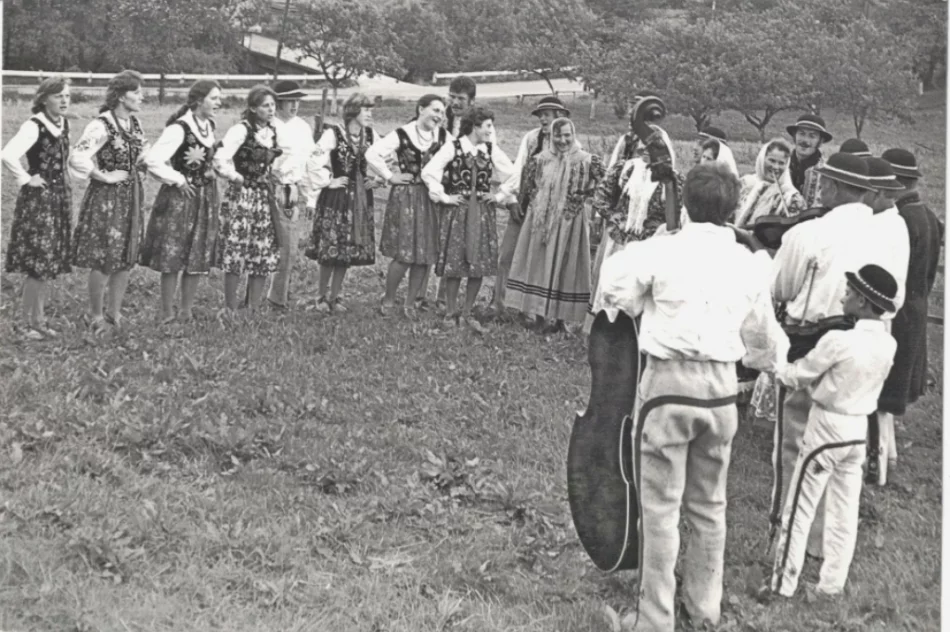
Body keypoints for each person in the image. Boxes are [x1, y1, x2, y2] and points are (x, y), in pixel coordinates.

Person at [597, 163, 786, 631]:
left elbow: (612, 288)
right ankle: (705, 610)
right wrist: (768, 364)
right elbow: (763, 338)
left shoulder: (660, 251)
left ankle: (654, 618)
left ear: (685, 203)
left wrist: (645, 303)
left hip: (667, 388)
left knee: (659, 509)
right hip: (721, 392)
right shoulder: (749, 263)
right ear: (733, 208)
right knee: (710, 506)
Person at [768, 152, 877, 562]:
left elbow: (780, 287)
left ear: (830, 187)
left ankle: (791, 533)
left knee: (798, 439)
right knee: (842, 438)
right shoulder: (887, 230)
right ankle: (827, 541)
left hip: (813, 337)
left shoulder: (810, 232)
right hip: (868, 344)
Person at [771, 264, 898, 599]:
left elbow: (802, 374)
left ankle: (782, 584)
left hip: (827, 425)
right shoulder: (888, 344)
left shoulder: (839, 340)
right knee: (843, 510)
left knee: (799, 506)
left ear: (862, 302)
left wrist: (778, 368)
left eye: (849, 293)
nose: (843, 297)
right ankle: (831, 584)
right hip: (859, 430)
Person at [872, 148, 943, 482]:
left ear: (896, 183)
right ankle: (892, 454)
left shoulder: (900, 219)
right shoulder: (928, 216)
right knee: (892, 390)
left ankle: (881, 461)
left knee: (884, 390)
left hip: (899, 310)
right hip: (918, 304)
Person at [586, 99, 683, 335]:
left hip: (649, 243)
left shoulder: (672, 179)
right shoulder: (627, 168)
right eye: (643, 148)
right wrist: (614, 218)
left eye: (652, 149)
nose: (646, 153)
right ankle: (607, 331)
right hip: (621, 241)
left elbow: (676, 216)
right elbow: (601, 197)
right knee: (615, 287)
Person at [503, 118, 605, 331]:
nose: (562, 140)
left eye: (567, 135)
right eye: (557, 135)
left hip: (570, 222)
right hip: (541, 221)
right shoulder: (538, 160)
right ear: (550, 137)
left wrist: (589, 205)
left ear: (573, 135)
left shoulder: (587, 161)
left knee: (566, 267)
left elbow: (604, 188)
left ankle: (561, 320)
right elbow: (526, 189)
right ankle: (539, 316)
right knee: (540, 265)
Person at [421, 105, 516, 331]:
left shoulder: (490, 149)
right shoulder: (453, 147)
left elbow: (514, 174)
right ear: (475, 126)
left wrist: (499, 195)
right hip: (459, 211)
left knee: (479, 264)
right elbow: (429, 172)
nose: (490, 131)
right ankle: (451, 311)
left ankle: (467, 311)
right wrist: (444, 197)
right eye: (487, 126)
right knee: (456, 261)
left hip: (482, 213)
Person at [69, 70, 149, 332]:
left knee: (125, 255)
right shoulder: (101, 124)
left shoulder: (134, 124)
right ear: (121, 95)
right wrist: (101, 175)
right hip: (108, 197)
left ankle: (115, 313)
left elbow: (141, 152)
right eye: (136, 92)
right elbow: (78, 156)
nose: (141, 96)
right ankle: (94, 315)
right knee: (105, 255)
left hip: (132, 195)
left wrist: (144, 164)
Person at [140, 80, 223, 323]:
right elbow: (154, 160)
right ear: (199, 100)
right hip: (181, 198)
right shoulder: (179, 128)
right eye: (214, 98)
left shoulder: (209, 125)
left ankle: (186, 310)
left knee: (196, 253)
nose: (219, 103)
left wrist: (213, 170)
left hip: (205, 197)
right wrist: (177, 179)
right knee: (173, 253)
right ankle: (167, 311)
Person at [1, 76, 74, 340]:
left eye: (67, 95)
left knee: (48, 263)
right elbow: (7, 154)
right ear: (44, 99)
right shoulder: (34, 126)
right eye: (58, 96)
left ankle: (39, 320)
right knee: (38, 263)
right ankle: (26, 323)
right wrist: (26, 178)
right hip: (39, 200)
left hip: (59, 198)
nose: (64, 100)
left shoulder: (63, 123)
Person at [366, 94, 450, 317]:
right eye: (435, 110)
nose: (439, 116)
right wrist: (389, 176)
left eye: (442, 112)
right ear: (421, 108)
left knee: (425, 253)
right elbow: (372, 153)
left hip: (430, 197)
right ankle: (389, 299)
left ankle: (410, 303)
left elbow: (456, 156)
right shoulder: (402, 133)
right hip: (407, 197)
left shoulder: (444, 136)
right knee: (404, 253)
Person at [419, 76, 498, 311]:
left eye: (460, 99)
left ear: (472, 101)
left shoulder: (483, 127)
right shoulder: (438, 118)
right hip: (439, 190)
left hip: (465, 195)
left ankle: (445, 301)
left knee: (458, 246)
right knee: (436, 243)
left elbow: (488, 158)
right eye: (451, 97)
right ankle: (423, 296)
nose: (454, 102)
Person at [492, 95, 571, 316]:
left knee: (538, 261)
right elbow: (518, 169)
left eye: (547, 115)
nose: (543, 120)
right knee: (506, 255)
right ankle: (499, 304)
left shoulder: (569, 143)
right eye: (540, 115)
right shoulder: (531, 138)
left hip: (550, 211)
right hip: (524, 204)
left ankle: (531, 311)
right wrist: (511, 200)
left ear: (560, 116)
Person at [304, 93, 381, 313]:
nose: (370, 114)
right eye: (366, 110)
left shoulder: (371, 135)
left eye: (370, 110)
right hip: (337, 198)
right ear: (353, 111)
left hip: (360, 199)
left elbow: (385, 158)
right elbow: (313, 159)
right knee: (331, 247)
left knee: (347, 249)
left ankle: (336, 296)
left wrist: (376, 179)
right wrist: (329, 181)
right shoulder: (334, 133)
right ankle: (320, 296)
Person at [860, 157, 910, 485]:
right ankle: (883, 456)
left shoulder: (886, 226)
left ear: (878, 193)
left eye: (866, 192)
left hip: (875, 314)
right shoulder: (890, 222)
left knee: (871, 398)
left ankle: (875, 466)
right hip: (876, 313)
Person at [213, 85, 283, 314]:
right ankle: (230, 306)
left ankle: (253, 306)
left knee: (261, 249)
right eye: (265, 105)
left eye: (273, 105)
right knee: (237, 248)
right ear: (253, 108)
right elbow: (220, 159)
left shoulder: (272, 132)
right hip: (242, 196)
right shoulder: (240, 130)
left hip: (263, 197)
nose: (271, 109)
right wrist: (235, 177)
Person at [267, 80, 315, 311]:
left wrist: (309, 193)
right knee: (263, 242)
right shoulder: (268, 126)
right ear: (278, 102)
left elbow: (309, 162)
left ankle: (278, 296)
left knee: (290, 245)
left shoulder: (303, 127)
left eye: (297, 100)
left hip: (292, 190)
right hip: (269, 186)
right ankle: (256, 294)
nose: (294, 105)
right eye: (289, 101)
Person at [734, 138, 806, 229]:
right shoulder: (745, 184)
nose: (776, 167)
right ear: (762, 159)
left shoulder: (791, 198)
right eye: (771, 160)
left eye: (781, 163)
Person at [786, 113, 832, 208]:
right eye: (801, 134)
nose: (805, 140)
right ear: (794, 136)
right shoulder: (781, 164)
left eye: (812, 136)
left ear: (820, 141)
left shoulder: (826, 171)